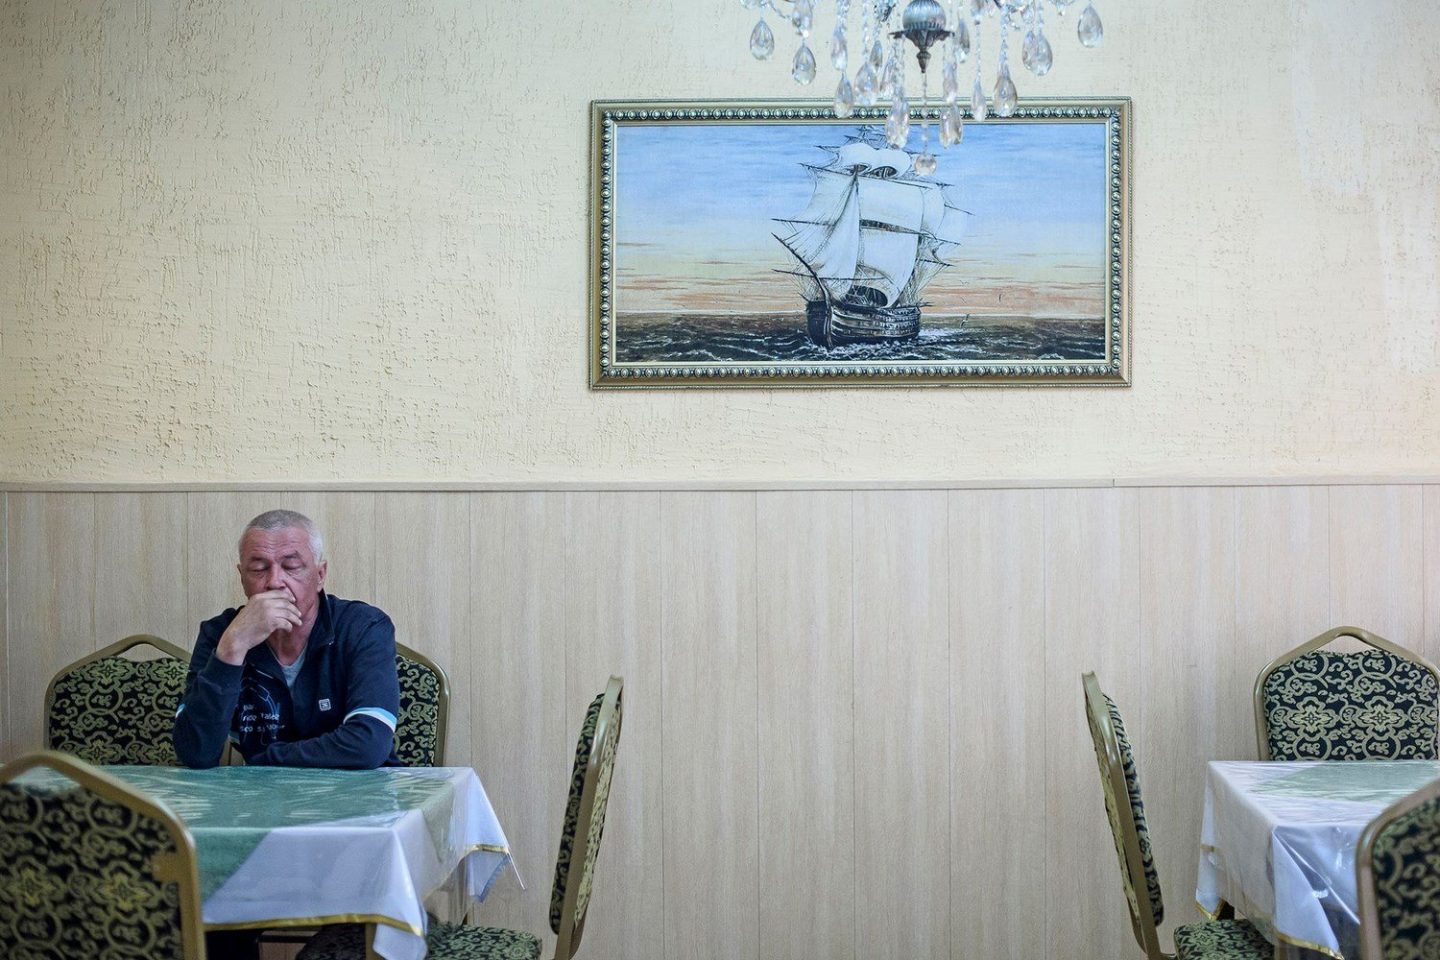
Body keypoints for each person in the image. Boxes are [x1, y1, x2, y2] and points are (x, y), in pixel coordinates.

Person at [173, 509, 401, 769]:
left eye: (291, 567)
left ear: (320, 575)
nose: (274, 582)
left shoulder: (364, 627)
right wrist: (232, 649)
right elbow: (194, 753)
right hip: (264, 803)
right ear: (242, 578)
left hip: (364, 797)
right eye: (258, 569)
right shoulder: (221, 634)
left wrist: (266, 759)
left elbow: (367, 746)